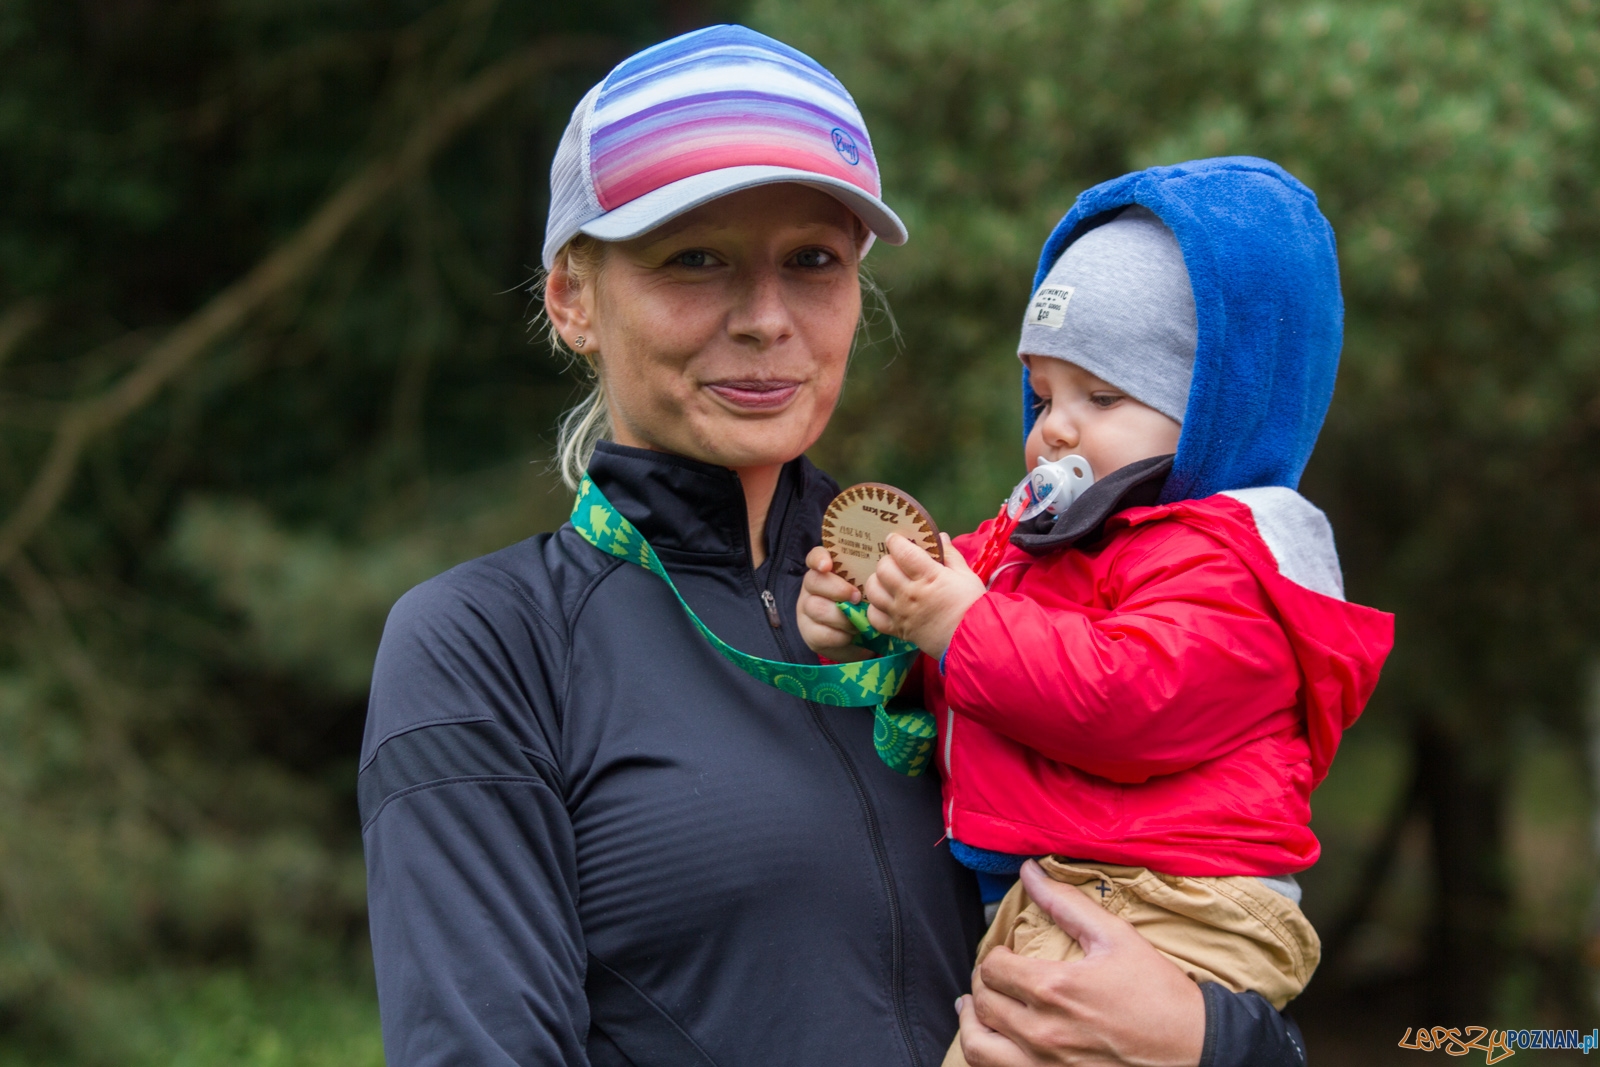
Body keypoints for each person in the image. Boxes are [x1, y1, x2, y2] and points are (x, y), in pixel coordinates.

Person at [360, 21, 1322, 1065]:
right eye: (695, 258)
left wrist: (1208, 1040)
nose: (765, 318)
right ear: (572, 298)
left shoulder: (967, 603)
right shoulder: (490, 644)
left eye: (812, 259)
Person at [799, 158, 1394, 1066]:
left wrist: (956, 623)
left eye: (1103, 396)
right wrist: (876, 622)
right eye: (1043, 396)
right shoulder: (1045, 541)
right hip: (1085, 884)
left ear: (1218, 407)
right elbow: (983, 672)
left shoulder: (1234, 565)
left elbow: (1122, 695)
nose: (1057, 429)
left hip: (1170, 902)